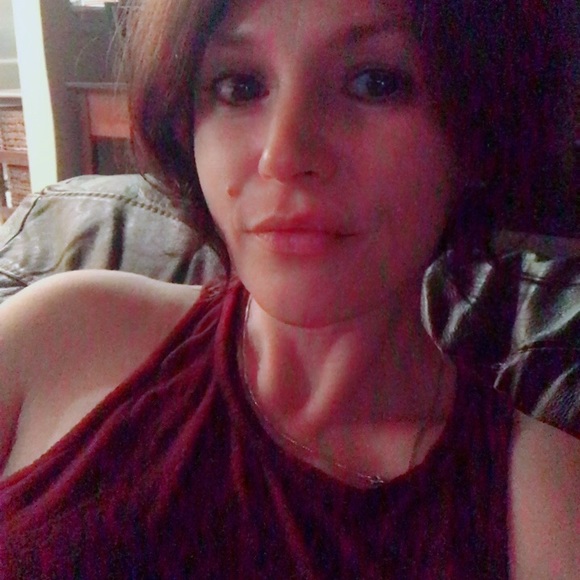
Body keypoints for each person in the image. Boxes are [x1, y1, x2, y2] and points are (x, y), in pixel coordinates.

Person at [0, 0, 578, 577]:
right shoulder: (56, 334)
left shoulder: (545, 508)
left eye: (375, 83)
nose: (283, 156)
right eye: (239, 86)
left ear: (475, 132)